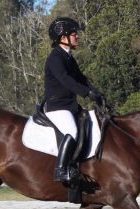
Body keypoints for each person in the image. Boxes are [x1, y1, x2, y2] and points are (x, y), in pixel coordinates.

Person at [44, 17, 103, 183]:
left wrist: (96, 93)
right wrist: (86, 93)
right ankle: (61, 170)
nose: (77, 36)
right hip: (57, 106)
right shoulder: (55, 58)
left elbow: (81, 78)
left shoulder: (69, 57)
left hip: (69, 105)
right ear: (63, 38)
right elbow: (66, 80)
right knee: (72, 131)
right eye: (74, 34)